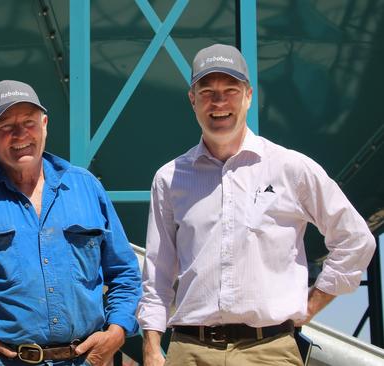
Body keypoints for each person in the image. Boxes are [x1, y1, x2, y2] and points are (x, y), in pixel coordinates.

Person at [137, 44, 376, 366]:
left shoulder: (290, 168)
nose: (218, 102)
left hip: (269, 351)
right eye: (207, 91)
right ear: (192, 100)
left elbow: (356, 240)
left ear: (248, 95)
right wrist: (151, 347)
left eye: (230, 90)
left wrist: (312, 304)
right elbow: (158, 272)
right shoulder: (170, 178)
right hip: (189, 351)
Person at [0, 80, 141, 366]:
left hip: (85, 360)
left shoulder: (86, 187)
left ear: (44, 124)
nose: (20, 134)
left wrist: (117, 330)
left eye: (29, 122)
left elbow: (124, 273)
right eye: (4, 126)